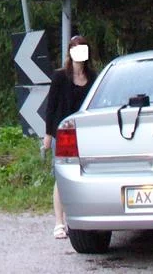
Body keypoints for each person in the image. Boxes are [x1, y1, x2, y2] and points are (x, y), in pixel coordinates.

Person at [42, 34, 97, 239]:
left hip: (87, 133)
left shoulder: (93, 77)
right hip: (64, 134)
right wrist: (48, 135)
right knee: (61, 176)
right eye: (75, 49)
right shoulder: (60, 77)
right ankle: (59, 222)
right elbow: (51, 107)